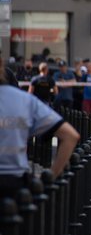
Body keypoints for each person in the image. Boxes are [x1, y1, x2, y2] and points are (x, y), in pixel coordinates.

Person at [0, 67, 80, 200]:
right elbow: (71, 136)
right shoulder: (24, 101)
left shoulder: (33, 85)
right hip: (14, 181)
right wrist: (51, 177)